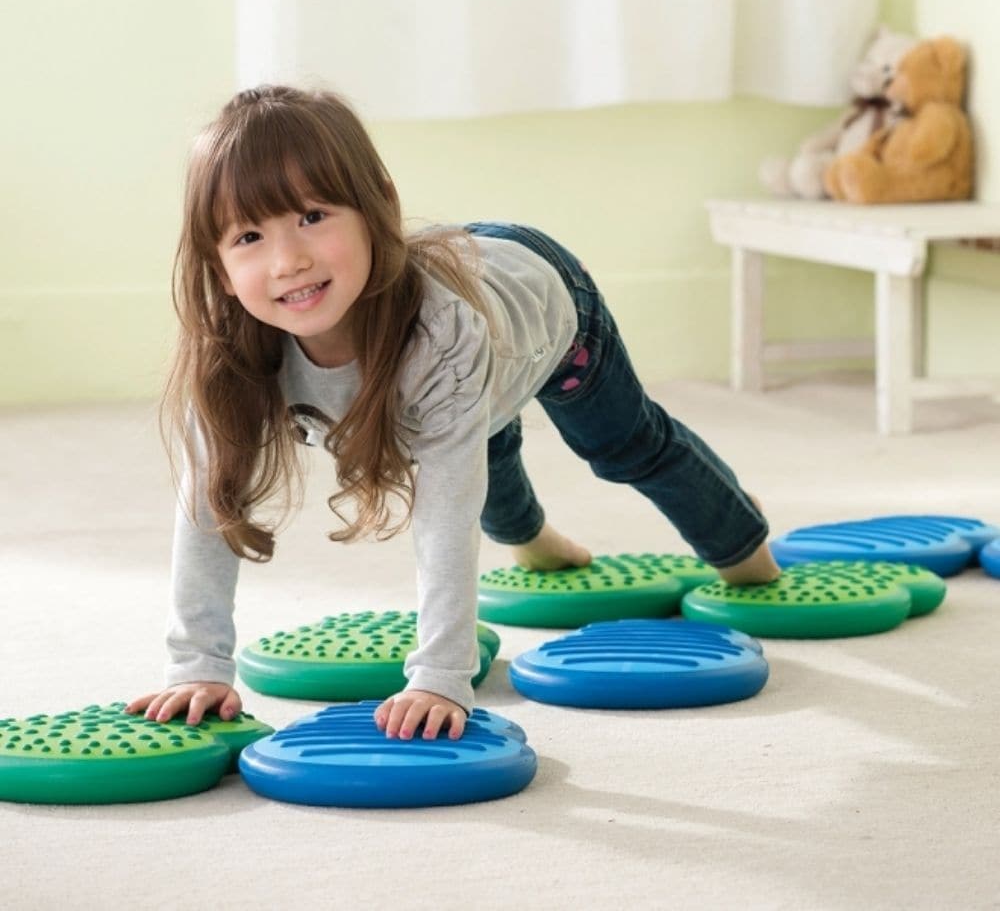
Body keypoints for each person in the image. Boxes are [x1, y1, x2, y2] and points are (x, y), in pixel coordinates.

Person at [127, 85, 780, 742]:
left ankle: (747, 546)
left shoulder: (440, 336)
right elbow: (211, 505)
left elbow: (444, 513)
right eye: (249, 235)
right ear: (217, 262)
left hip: (542, 299)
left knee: (624, 444)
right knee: (476, 444)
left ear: (377, 202)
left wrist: (441, 674)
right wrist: (197, 665)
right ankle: (541, 545)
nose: (288, 260)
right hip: (469, 327)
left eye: (314, 216)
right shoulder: (230, 356)